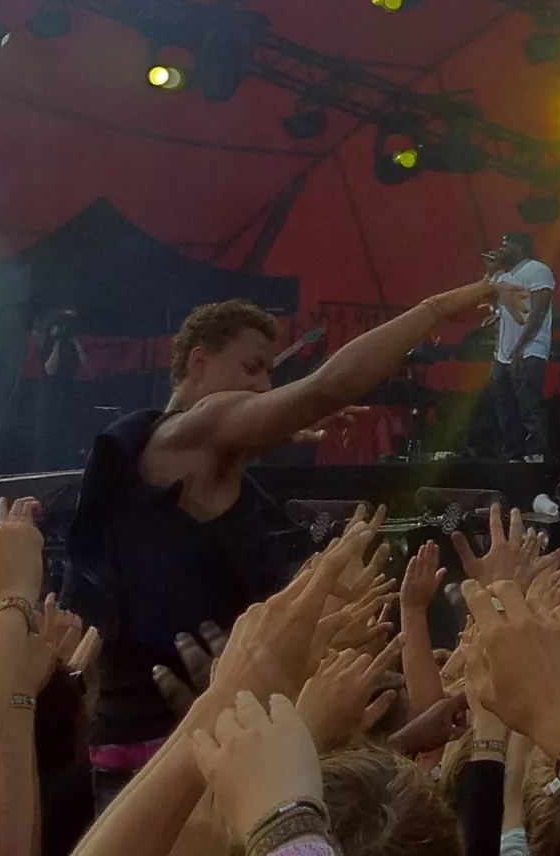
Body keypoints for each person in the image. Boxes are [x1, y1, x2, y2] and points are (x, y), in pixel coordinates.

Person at [65, 281, 489, 782]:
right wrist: (432, 309)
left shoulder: (162, 448)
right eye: (251, 368)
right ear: (198, 365)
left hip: (158, 745)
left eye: (271, 373)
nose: (266, 386)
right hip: (176, 751)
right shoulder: (196, 426)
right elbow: (324, 387)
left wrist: (281, 425)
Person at [483, 229, 558, 465]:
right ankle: (513, 456)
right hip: (503, 354)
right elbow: (479, 295)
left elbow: (539, 310)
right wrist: (491, 271)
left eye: (507, 245)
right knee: (504, 407)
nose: (502, 249)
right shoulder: (502, 278)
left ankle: (537, 456)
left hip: (530, 349)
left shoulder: (538, 270)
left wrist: (520, 346)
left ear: (521, 248)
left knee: (529, 406)